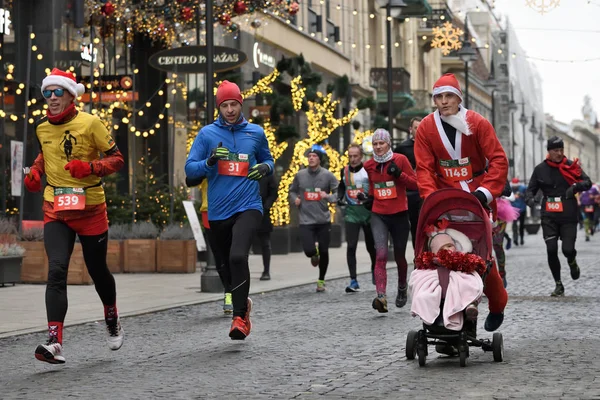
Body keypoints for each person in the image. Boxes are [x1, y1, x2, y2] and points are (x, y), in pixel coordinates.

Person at [24, 68, 125, 364]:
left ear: (71, 94)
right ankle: (54, 341)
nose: (52, 98)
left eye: (58, 92)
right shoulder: (41, 126)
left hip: (90, 209)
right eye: (47, 92)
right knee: (56, 269)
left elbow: (117, 159)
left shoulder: (91, 123)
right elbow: (45, 154)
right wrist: (35, 173)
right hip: (55, 208)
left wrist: (90, 168)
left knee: (97, 271)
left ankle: (111, 318)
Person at [413, 73, 509, 332]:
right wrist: (431, 199)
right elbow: (423, 168)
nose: (443, 102)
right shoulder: (425, 128)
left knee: (482, 257)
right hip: (444, 200)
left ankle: (498, 303)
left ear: (458, 99)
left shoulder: (478, 123)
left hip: (477, 198)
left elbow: (498, 159)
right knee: (440, 256)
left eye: (448, 96)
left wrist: (486, 192)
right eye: (438, 97)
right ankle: (445, 308)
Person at [185, 80, 274, 340]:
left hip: (248, 205)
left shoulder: (255, 133)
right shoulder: (207, 134)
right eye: (225, 105)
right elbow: (190, 170)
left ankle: (239, 318)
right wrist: (210, 161)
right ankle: (242, 304)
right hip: (218, 210)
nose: (231, 110)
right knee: (224, 266)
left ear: (241, 104)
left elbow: (268, 159)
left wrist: (266, 168)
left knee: (238, 257)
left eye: (234, 104)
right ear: (219, 107)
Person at [359, 129, 417, 312]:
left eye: (381, 143)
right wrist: (367, 198)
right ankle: (381, 296)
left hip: (399, 214)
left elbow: (415, 184)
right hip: (379, 215)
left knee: (399, 256)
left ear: (388, 144)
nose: (378, 147)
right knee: (381, 254)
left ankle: (402, 287)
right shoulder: (368, 165)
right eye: (375, 144)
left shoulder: (400, 160)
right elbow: (373, 189)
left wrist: (399, 174)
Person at [525, 136, 592, 296]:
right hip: (549, 214)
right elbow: (531, 189)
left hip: (568, 213)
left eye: (561, 150)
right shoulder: (540, 169)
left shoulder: (571, 166)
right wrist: (530, 199)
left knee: (568, 249)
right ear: (549, 151)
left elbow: (587, 182)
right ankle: (558, 284)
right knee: (551, 249)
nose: (559, 153)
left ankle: (572, 261)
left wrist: (575, 186)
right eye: (556, 150)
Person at [289, 148, 339, 292]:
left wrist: (327, 197)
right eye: (309, 156)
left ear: (319, 159)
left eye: (314, 156)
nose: (311, 158)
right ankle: (313, 254)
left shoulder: (328, 175)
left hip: (323, 219)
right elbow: (292, 190)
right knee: (309, 250)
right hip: (306, 219)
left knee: (324, 251)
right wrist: (295, 199)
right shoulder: (300, 175)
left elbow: (338, 192)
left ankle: (321, 280)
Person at [337, 143, 376, 292]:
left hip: (367, 212)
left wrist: (366, 197)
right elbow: (342, 186)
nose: (352, 159)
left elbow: (373, 189)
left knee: (371, 247)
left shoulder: (368, 171)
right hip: (352, 213)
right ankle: (353, 280)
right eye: (350, 156)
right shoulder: (344, 170)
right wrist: (340, 197)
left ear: (361, 156)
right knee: (351, 246)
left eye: (355, 156)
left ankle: (374, 270)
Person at [393, 117, 423, 249]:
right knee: (412, 226)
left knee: (423, 226)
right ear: (410, 130)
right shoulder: (402, 147)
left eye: (421, 127)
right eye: (416, 127)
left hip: (426, 191)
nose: (419, 130)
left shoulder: (430, 145)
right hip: (409, 193)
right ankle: (417, 257)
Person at [257, 173, 278, 280]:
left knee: (265, 244)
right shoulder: (244, 168)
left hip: (262, 212)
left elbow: (274, 192)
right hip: (244, 211)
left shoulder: (266, 172)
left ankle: (266, 271)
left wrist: (266, 206)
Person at [510, 177, 527, 246]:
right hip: (513, 209)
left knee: (521, 225)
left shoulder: (523, 188)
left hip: (522, 209)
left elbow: (527, 196)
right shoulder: (510, 189)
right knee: (514, 225)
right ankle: (515, 239)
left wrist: (521, 195)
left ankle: (522, 238)